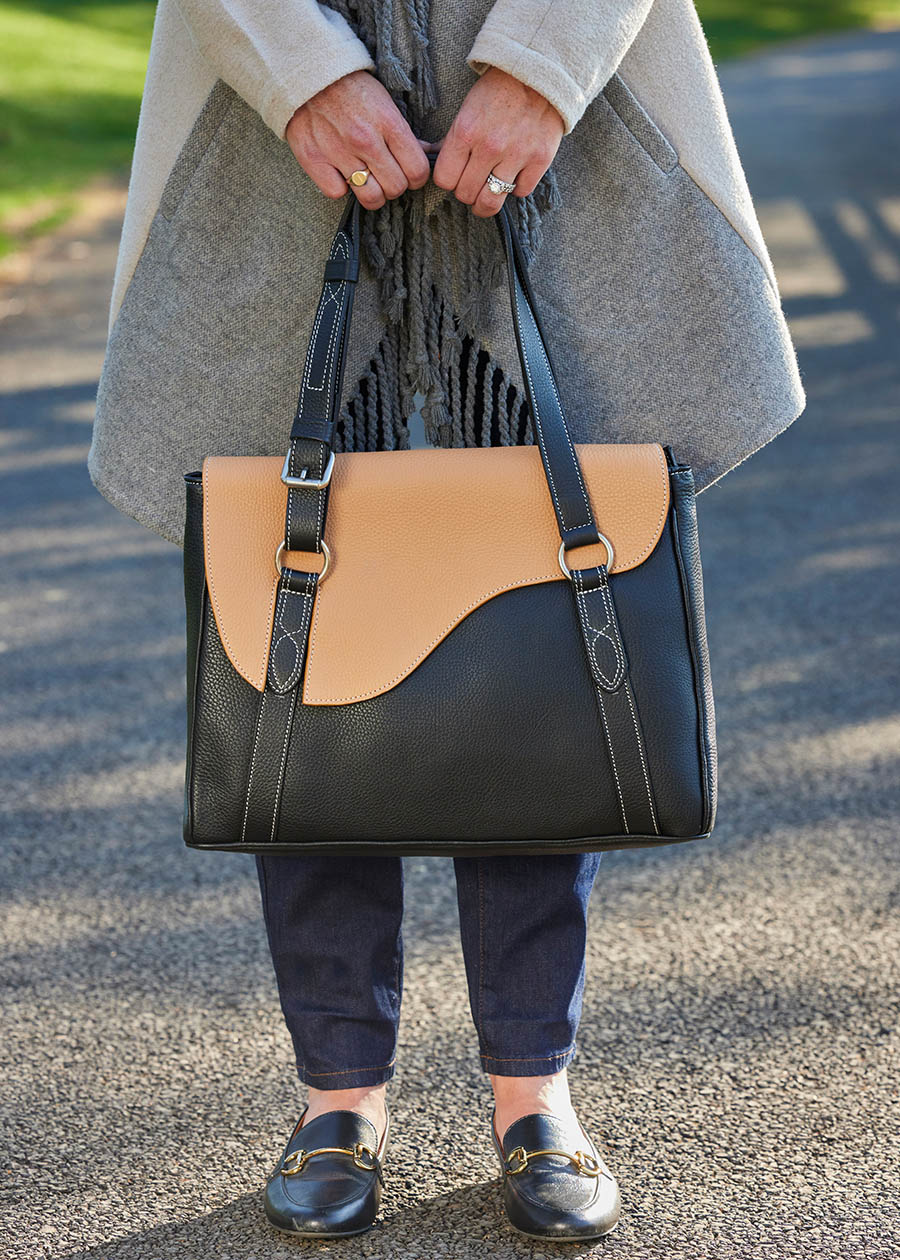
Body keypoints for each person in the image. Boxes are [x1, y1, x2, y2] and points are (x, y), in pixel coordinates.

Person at [88, 0, 805, 1242]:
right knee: (295, 618)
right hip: (274, 131)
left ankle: (538, 1095)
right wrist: (297, 67)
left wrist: (544, 62)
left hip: (550, 113)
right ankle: (336, 1100)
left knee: (534, 632)